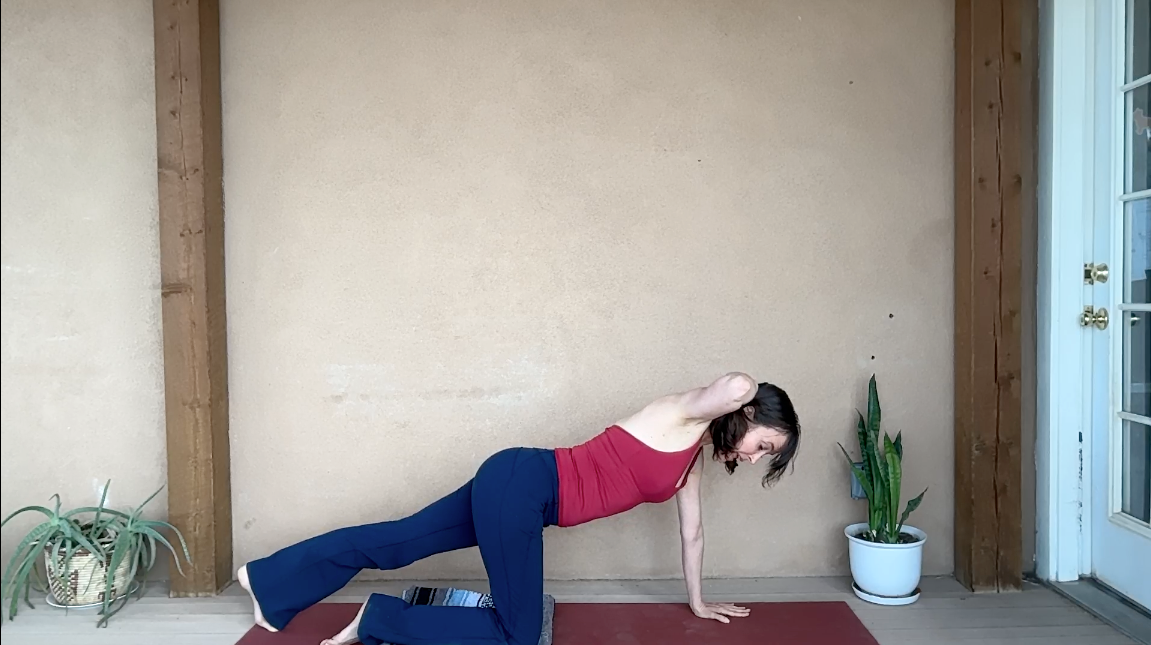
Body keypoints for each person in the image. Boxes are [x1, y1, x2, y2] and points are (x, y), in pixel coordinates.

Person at [237, 372, 800, 645]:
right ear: (747, 415)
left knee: (396, 541)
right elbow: (734, 385)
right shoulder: (682, 414)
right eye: (762, 447)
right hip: (526, 485)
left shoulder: (689, 463)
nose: (753, 460)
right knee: (518, 633)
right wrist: (749, 391)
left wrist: (699, 604)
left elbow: (693, 535)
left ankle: (267, 580)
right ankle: (380, 620)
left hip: (514, 484)